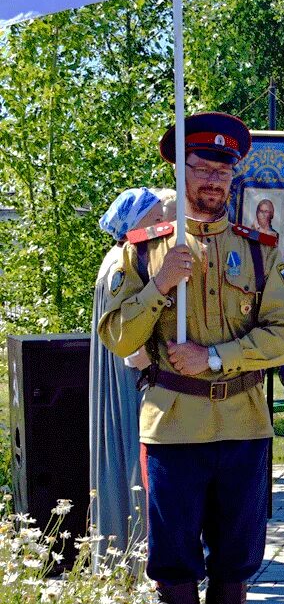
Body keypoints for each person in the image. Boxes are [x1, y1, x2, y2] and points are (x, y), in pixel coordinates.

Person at [98, 112, 284, 604]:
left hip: (242, 423)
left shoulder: (259, 250)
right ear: (178, 170)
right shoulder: (140, 253)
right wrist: (160, 285)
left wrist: (215, 356)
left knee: (237, 556)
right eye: (201, 167)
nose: (213, 179)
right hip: (172, 427)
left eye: (223, 169)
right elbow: (114, 333)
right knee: (175, 557)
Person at [89, 187, 173, 559]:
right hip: (134, 381)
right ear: (135, 224)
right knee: (136, 467)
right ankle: (136, 557)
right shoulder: (124, 262)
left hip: (131, 376)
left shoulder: (125, 258)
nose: (164, 226)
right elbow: (131, 345)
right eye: (157, 219)